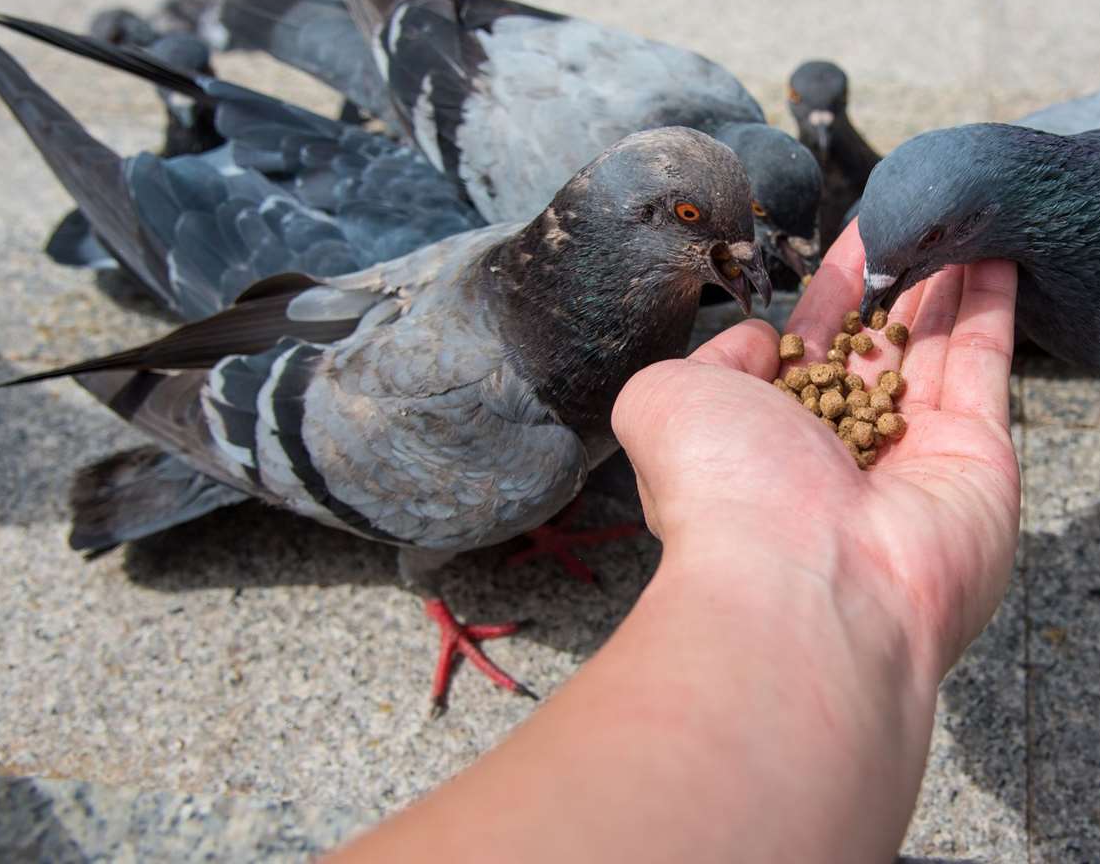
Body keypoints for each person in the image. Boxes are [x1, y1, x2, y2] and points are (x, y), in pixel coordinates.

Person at [331, 226, 1022, 863]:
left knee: (534, 481)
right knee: (512, 486)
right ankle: (439, 597)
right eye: (694, 217)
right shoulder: (493, 388)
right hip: (356, 419)